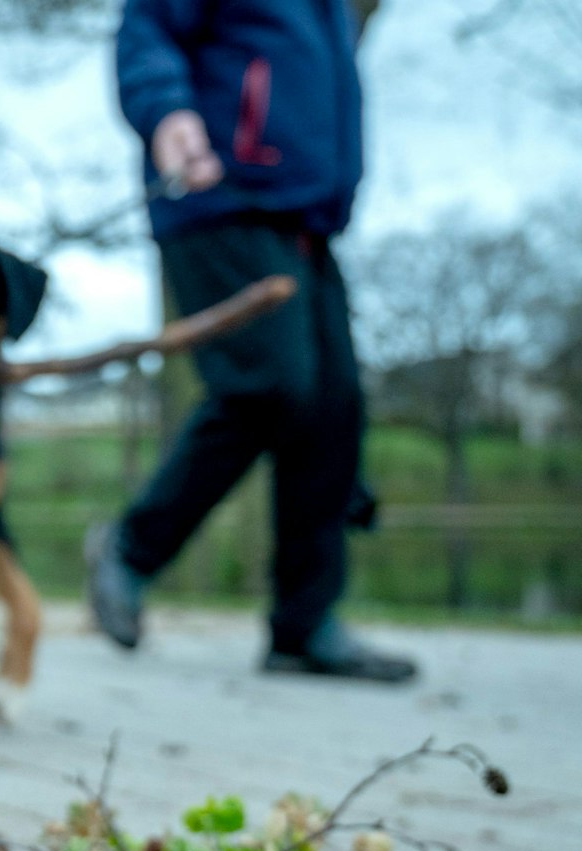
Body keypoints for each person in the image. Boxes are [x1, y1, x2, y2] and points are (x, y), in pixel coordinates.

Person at [89, 0, 417, 682]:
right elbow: (147, 27)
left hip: (305, 216)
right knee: (268, 384)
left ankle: (303, 626)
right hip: (220, 193)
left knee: (333, 406)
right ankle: (130, 547)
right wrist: (168, 112)